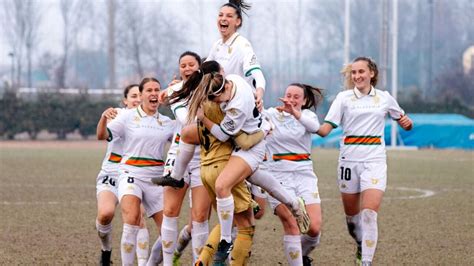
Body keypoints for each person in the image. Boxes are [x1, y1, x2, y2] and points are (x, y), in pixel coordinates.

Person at [317, 57, 413, 266]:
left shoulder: (385, 98)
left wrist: (407, 123)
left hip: (374, 161)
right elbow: (325, 130)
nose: (357, 76)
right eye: (354, 72)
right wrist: (300, 118)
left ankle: (366, 262)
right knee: (353, 220)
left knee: (369, 214)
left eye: (361, 72)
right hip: (349, 162)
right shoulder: (343, 98)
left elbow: (404, 121)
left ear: (372, 74)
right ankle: (360, 243)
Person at [97, 77, 176, 266]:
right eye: (149, 90)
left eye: (157, 90)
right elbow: (102, 135)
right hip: (130, 174)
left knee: (167, 229)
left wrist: (179, 97)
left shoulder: (167, 122)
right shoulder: (126, 117)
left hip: (156, 178)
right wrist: (103, 117)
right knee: (131, 220)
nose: (154, 93)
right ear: (141, 96)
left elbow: (185, 140)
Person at [160, 51, 212, 265]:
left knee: (200, 217)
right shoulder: (175, 89)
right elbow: (185, 118)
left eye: (191, 64)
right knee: (170, 211)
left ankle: (198, 263)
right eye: (183, 65)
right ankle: (167, 261)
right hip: (179, 154)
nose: (187, 68)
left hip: (204, 157)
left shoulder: (211, 88)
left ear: (200, 67)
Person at [265, 83, 324, 266]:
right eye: (288, 95)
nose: (290, 99)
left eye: (296, 97)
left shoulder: (307, 116)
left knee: (314, 229)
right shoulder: (271, 114)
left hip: (304, 175)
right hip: (278, 176)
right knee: (292, 224)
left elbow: (316, 128)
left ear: (304, 101)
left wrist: (295, 113)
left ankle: (301, 256)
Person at [95, 84, 150, 266]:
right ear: (125, 100)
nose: (136, 99)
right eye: (132, 96)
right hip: (111, 173)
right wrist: (104, 117)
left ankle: (142, 263)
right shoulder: (117, 115)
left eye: (139, 95)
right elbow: (101, 135)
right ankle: (106, 251)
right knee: (105, 214)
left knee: (138, 217)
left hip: (134, 174)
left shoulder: (148, 119)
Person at [206, 0, 266, 110]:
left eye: (229, 16)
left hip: (242, 106)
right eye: (220, 15)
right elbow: (202, 71)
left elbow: (257, 74)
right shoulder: (217, 45)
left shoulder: (243, 45)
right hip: (223, 103)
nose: (223, 18)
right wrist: (181, 84)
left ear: (237, 21)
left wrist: (259, 92)